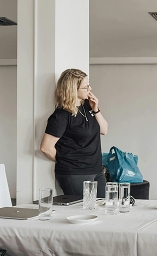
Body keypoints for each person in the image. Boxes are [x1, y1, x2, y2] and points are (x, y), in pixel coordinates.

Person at [40, 69, 108, 198]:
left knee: (102, 207)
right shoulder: (61, 116)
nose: (90, 89)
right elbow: (46, 148)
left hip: (97, 170)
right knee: (82, 209)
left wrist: (96, 109)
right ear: (73, 90)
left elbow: (104, 130)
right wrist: (69, 161)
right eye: (86, 87)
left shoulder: (88, 105)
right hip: (75, 174)